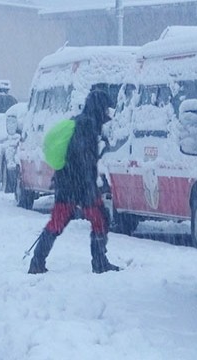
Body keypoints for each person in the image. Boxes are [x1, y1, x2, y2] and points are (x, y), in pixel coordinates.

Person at [28, 90, 121, 275]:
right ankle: (99, 262)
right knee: (100, 219)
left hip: (68, 183)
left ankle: (37, 262)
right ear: (99, 108)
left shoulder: (82, 122)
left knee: (59, 222)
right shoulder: (87, 126)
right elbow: (83, 159)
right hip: (78, 184)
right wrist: (89, 186)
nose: (108, 114)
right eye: (105, 109)